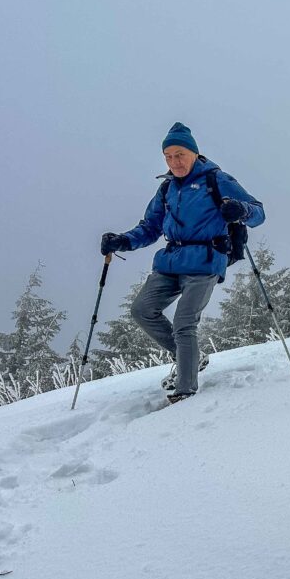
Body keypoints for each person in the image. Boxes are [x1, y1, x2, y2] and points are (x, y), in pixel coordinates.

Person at [100, 123, 265, 403]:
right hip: (171, 261)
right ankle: (188, 357)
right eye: (168, 156)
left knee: (184, 323)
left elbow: (258, 213)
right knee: (142, 310)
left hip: (206, 261)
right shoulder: (166, 189)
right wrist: (123, 241)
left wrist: (241, 210)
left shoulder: (216, 179)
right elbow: (150, 227)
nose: (174, 161)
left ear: (193, 153)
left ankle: (185, 391)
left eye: (179, 154)